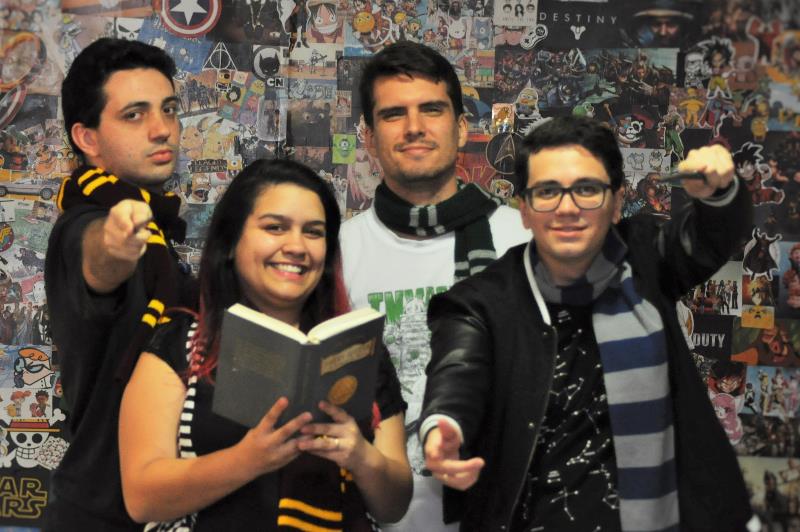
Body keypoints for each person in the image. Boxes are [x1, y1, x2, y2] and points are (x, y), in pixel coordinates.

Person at [419, 116, 756, 531]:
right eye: (547, 192)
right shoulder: (482, 300)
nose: (567, 208)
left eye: (586, 189)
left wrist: (720, 191)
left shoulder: (647, 257)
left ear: (616, 204)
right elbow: (458, 369)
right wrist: (445, 427)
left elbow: (712, 235)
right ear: (524, 210)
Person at [118, 159, 412, 529]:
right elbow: (141, 498)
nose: (297, 246)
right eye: (275, 227)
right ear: (230, 242)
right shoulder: (182, 343)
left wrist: (361, 456)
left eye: (313, 232)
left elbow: (394, 506)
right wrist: (248, 460)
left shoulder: (358, 349)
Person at [339, 40, 530, 531]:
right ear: (368, 136)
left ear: (461, 127)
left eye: (431, 109)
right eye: (393, 114)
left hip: (501, 512)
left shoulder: (522, 241)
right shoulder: (336, 253)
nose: (414, 127)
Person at [44, 38, 194, 530]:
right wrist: (116, 241)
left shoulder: (162, 238)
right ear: (87, 138)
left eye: (168, 109)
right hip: (101, 515)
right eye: (134, 115)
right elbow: (98, 257)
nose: (161, 128)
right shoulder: (83, 224)